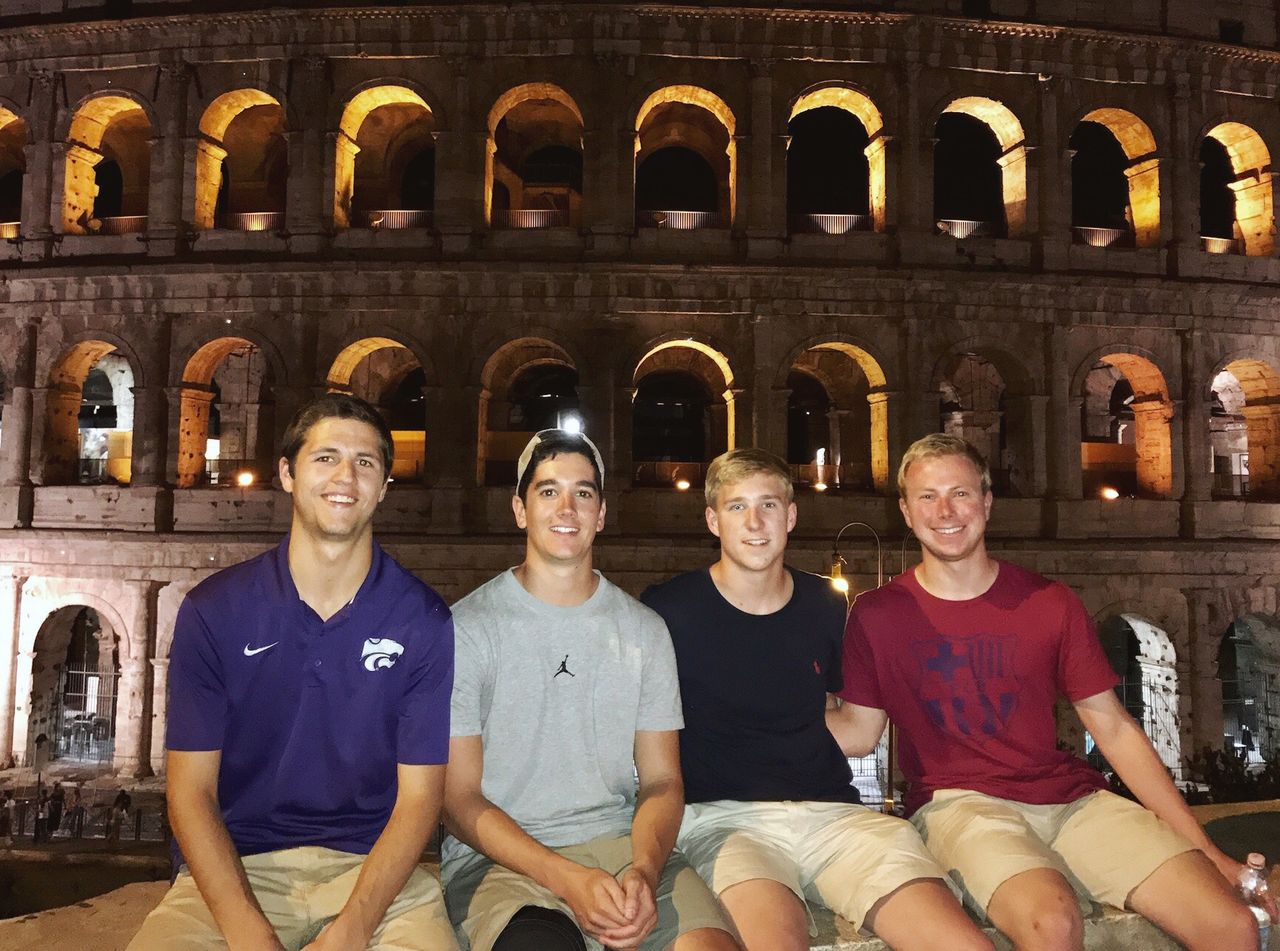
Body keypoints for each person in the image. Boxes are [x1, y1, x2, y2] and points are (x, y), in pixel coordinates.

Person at [830, 433, 1268, 951]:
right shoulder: (878, 614)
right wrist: (764, 703)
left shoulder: (1049, 602)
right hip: (959, 804)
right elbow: (858, 733)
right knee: (1052, 921)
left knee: (1232, 927)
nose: (945, 510)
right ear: (905, 510)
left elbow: (1113, 728)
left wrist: (1206, 851)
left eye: (961, 493)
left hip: (1070, 799)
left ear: (987, 503)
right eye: (927, 496)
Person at [128, 393, 458, 951]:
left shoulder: (422, 619)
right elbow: (190, 793)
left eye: (366, 463)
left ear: (383, 487)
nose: (345, 477)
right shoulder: (215, 610)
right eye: (325, 457)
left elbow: (420, 799)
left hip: (375, 876)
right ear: (287, 473)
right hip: (236, 870)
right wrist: (247, 932)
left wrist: (354, 926)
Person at [642, 448, 991, 951]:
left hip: (834, 816)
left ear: (791, 515)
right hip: (726, 818)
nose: (755, 522)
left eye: (768, 504)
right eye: (737, 507)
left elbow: (855, 729)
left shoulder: (825, 603)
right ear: (713, 521)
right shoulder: (669, 609)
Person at [442, 429, 738, 951]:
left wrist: (644, 872)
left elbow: (663, 780)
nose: (567, 508)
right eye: (547, 490)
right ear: (519, 508)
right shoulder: (468, 628)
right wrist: (564, 878)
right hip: (505, 862)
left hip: (625, 848)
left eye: (583, 492)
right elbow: (458, 798)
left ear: (601, 513)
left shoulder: (644, 630)